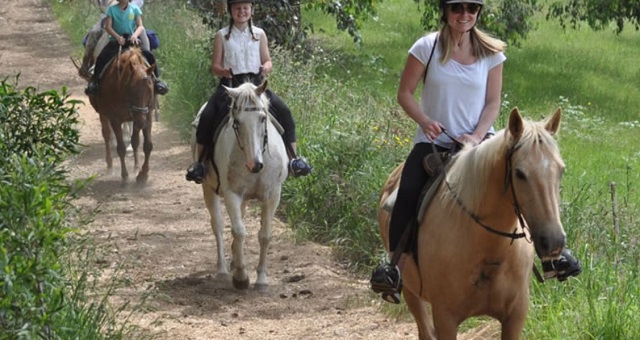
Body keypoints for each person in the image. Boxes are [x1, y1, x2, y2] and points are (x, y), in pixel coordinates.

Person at [369, 0, 581, 304]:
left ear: (478, 13)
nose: (464, 14)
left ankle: (554, 256)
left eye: (472, 8)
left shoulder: (491, 53)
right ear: (445, 11)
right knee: (409, 191)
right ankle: (395, 270)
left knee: (533, 183)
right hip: (435, 143)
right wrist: (425, 121)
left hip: (481, 144)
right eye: (457, 8)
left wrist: (478, 134)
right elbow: (405, 93)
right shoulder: (426, 47)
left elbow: (493, 102)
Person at [185, 0, 312, 184]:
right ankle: (200, 164)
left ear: (251, 10)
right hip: (231, 86)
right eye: (237, 8)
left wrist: (266, 67)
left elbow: (268, 60)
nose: (242, 12)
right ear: (231, 11)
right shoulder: (221, 36)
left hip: (256, 86)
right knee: (208, 115)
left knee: (284, 112)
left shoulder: (260, 34)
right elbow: (215, 66)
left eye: (245, 8)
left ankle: (293, 159)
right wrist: (223, 71)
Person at [85, 0, 168, 95]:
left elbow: (140, 26)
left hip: (132, 38)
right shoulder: (111, 10)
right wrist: (117, 37)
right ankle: (95, 82)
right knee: (102, 57)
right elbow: (108, 27)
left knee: (148, 55)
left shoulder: (135, 9)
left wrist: (135, 36)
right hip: (116, 40)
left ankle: (156, 80)